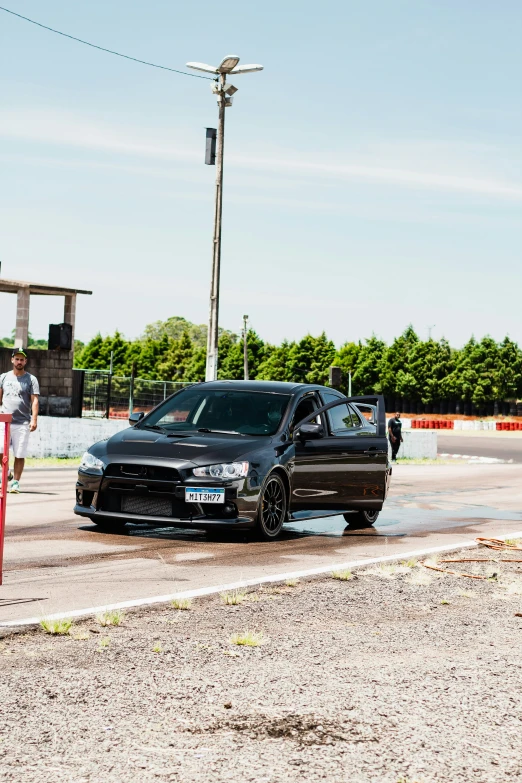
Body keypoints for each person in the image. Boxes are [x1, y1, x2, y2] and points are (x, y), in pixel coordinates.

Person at [0, 348, 40, 493]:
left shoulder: (31, 379)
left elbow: (35, 400)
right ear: (12, 360)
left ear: (25, 361)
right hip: (4, 421)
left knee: (19, 454)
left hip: (22, 422)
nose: (19, 361)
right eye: (16, 359)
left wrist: (34, 419)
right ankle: (7, 473)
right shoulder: (3, 377)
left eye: (22, 359)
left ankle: (15, 482)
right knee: (0, 451)